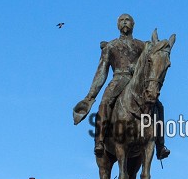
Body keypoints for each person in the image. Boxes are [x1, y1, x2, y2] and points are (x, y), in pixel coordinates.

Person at [72, 13, 169, 160]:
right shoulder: (111, 46)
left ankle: (160, 145)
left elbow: (152, 63)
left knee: (159, 106)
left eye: (128, 20)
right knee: (105, 104)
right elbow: (101, 73)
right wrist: (90, 96)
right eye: (122, 21)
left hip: (137, 83)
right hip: (118, 80)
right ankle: (99, 141)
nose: (125, 22)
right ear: (118, 25)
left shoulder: (141, 45)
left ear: (133, 25)